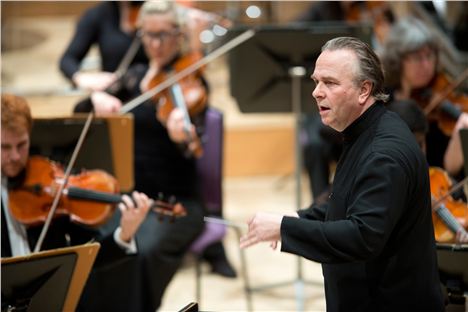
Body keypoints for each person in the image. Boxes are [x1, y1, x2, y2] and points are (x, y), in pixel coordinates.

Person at [240, 37, 444, 311]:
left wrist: (284, 228)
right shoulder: (367, 130)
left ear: (364, 90)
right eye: (316, 81)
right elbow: (346, 204)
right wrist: (294, 220)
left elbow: (362, 236)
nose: (316, 92)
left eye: (330, 83)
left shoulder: (382, 154)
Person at [60, 0, 236, 279]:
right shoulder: (134, 77)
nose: (155, 44)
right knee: (99, 245)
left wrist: (182, 137)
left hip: (174, 202)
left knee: (142, 251)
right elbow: (81, 112)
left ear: (179, 35)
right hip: (129, 197)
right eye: (148, 35)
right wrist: (94, 99)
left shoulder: (193, 84)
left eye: (163, 35)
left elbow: (194, 144)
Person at [1, 93, 152, 310]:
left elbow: (89, 256)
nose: (15, 156)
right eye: (5, 147)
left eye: (21, 145)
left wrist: (124, 233)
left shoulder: (48, 180)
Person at [380, 17, 468, 179]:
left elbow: (449, 173)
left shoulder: (442, 104)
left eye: (430, 56)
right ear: (398, 60)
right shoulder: (382, 100)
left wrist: (459, 138)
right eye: (418, 58)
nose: (427, 65)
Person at [386, 99, 468, 244]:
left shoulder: (437, 178)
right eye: (410, 145)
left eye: (420, 144)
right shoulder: (379, 187)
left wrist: (457, 227)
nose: (417, 153)